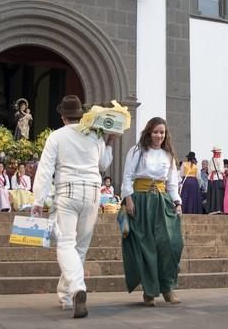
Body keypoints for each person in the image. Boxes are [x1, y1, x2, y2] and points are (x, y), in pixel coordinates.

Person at [31, 95, 116, 318]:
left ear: (62, 116)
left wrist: (38, 200)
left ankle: (77, 288)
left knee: (65, 243)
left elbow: (45, 169)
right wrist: (109, 143)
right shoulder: (94, 135)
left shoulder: (56, 136)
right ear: (80, 115)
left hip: (67, 191)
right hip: (92, 192)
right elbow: (103, 164)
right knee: (79, 246)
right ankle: (67, 296)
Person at [121, 117, 183, 306]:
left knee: (171, 244)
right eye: (156, 132)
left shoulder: (169, 154)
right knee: (146, 245)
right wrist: (129, 198)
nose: (159, 135)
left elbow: (172, 183)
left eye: (162, 132)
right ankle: (149, 291)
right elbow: (128, 176)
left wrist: (177, 202)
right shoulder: (137, 151)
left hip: (162, 201)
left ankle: (167, 287)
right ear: (149, 132)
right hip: (140, 200)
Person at [207, 146, 225, 214]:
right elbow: (221, 169)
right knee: (218, 194)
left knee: (211, 193)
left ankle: (211, 209)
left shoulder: (210, 160)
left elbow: (209, 171)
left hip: (210, 178)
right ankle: (218, 208)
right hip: (218, 177)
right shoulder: (220, 159)